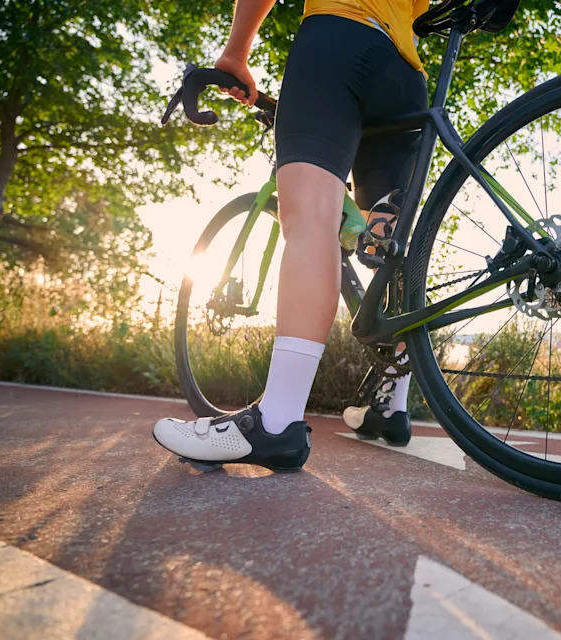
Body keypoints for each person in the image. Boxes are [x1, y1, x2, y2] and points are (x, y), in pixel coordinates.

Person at [152, 0, 429, 471]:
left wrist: (235, 54)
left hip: (338, 38)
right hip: (405, 74)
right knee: (389, 250)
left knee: (311, 219)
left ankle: (277, 422)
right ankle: (393, 404)